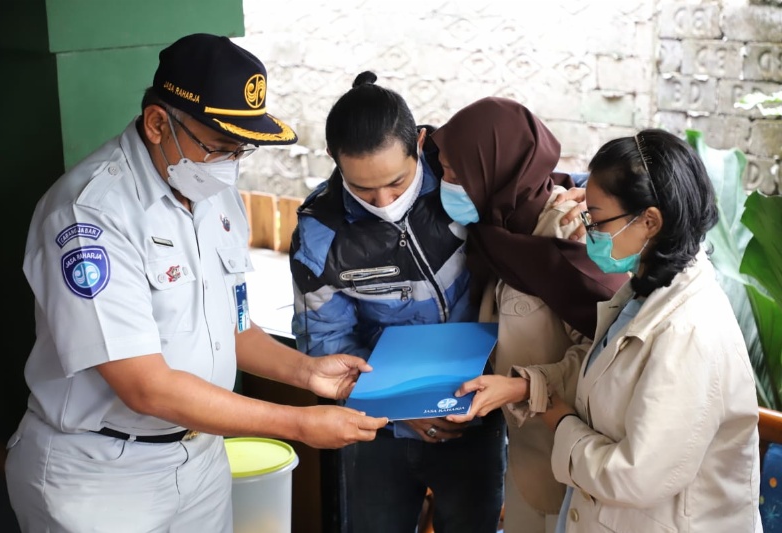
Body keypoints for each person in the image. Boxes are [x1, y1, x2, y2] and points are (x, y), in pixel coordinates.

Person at [4, 34, 388, 533]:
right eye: (220, 148)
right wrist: (297, 423)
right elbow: (146, 386)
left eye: (241, 151)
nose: (230, 165)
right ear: (159, 123)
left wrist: (306, 372)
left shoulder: (211, 194)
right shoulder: (90, 215)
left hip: (201, 456)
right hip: (103, 474)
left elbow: (232, 328)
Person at [458, 128, 762, 531]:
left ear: (650, 221)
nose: (590, 232)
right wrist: (527, 386)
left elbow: (633, 476)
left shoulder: (690, 333)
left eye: (598, 220)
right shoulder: (645, 291)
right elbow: (602, 368)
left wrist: (558, 419)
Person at [289, 72, 507, 533]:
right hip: (378, 426)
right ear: (334, 159)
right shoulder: (320, 232)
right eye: (363, 190)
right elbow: (327, 344)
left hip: (477, 410)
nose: (383, 201)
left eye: (396, 181)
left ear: (420, 144)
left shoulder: (462, 186)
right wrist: (404, 412)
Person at [430, 96, 626, 533]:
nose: (446, 182)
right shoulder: (495, 232)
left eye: (456, 173)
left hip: (582, 466)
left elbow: (609, 363)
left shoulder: (577, 237)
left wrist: (522, 386)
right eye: (444, 168)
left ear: (494, 171)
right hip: (527, 458)